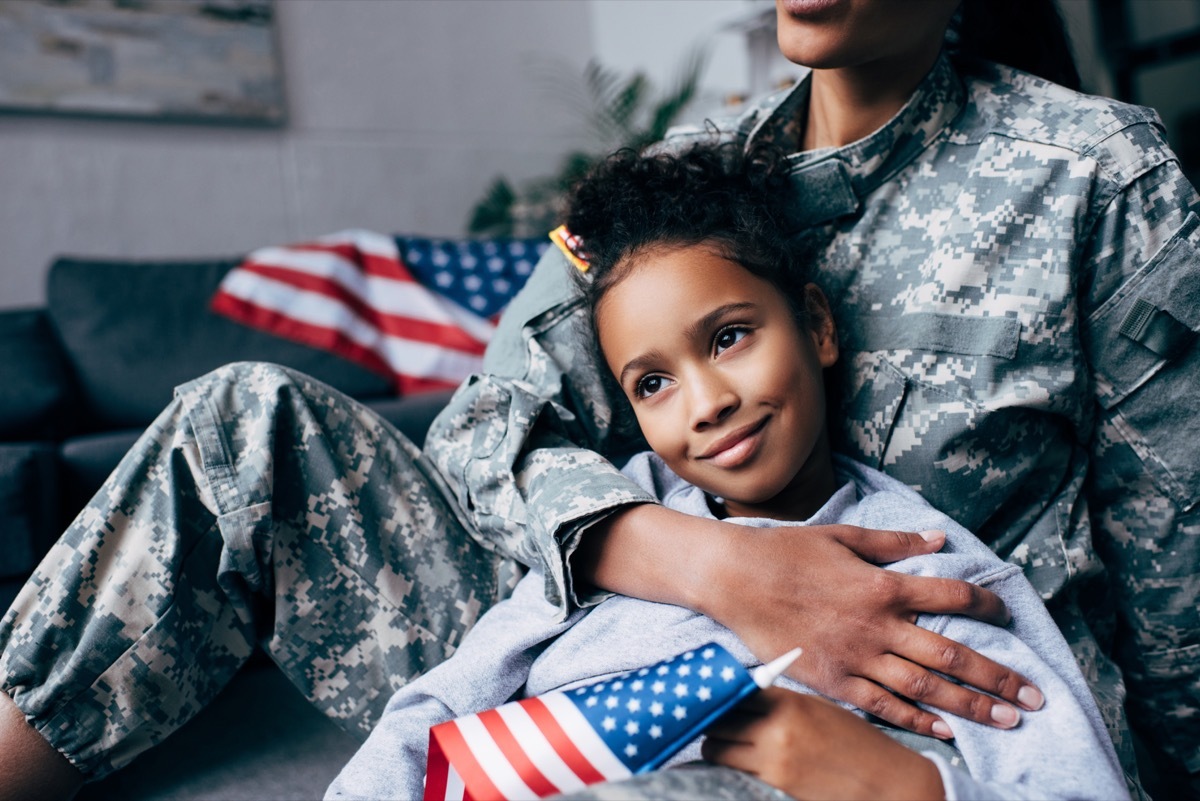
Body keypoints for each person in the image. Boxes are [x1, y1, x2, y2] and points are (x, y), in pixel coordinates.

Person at [2, 0, 1196, 797]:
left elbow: (1175, 588)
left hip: (910, 729)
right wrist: (714, 568)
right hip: (595, 647)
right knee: (240, 425)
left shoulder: (1101, 176)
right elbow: (482, 425)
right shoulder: (680, 177)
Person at [325, 143, 1130, 801]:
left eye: (729, 337)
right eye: (652, 383)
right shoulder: (622, 521)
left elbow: (1072, 781)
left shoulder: (920, 571)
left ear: (816, 325)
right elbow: (438, 706)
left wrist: (909, 787)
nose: (704, 403)